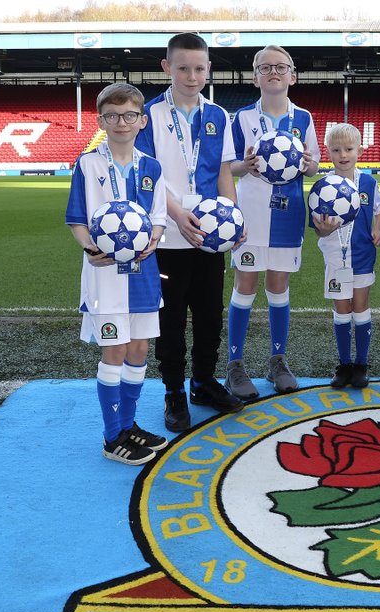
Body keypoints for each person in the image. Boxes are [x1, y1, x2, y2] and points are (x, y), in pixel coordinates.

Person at [135, 32, 242, 433]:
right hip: (168, 235)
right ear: (167, 68)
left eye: (199, 68)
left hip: (211, 236)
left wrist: (235, 216)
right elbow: (148, 175)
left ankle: (203, 382)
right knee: (172, 318)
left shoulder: (217, 115)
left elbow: (224, 171)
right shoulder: (148, 115)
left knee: (210, 315)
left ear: (208, 69)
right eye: (183, 68)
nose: (192, 75)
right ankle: (174, 391)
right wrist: (177, 214)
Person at [65, 83, 169, 465]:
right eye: (112, 115)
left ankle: (127, 424)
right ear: (101, 121)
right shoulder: (88, 164)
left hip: (143, 272)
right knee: (115, 350)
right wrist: (90, 247)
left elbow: (158, 219)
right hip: (104, 275)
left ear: (142, 120)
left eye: (128, 115)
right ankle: (112, 438)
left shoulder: (152, 167)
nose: (121, 122)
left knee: (139, 349)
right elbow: (77, 219)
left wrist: (153, 239)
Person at [225, 45, 320, 399]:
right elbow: (229, 165)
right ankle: (235, 365)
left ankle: (277, 361)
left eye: (281, 67)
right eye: (265, 67)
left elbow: (312, 166)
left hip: (287, 215)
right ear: (255, 77)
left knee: (278, 285)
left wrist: (309, 164)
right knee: (245, 284)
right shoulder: (243, 119)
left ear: (292, 76)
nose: (273, 72)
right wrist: (244, 166)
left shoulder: (304, 119)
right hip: (249, 216)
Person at [309, 123, 380, 388]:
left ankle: (361, 364)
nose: (343, 154)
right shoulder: (321, 188)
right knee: (342, 309)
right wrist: (324, 229)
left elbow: (378, 209)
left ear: (360, 151)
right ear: (328, 152)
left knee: (360, 307)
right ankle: (343, 365)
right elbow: (318, 230)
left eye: (349, 149)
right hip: (334, 257)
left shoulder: (369, 182)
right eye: (337, 149)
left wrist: (376, 229)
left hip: (363, 256)